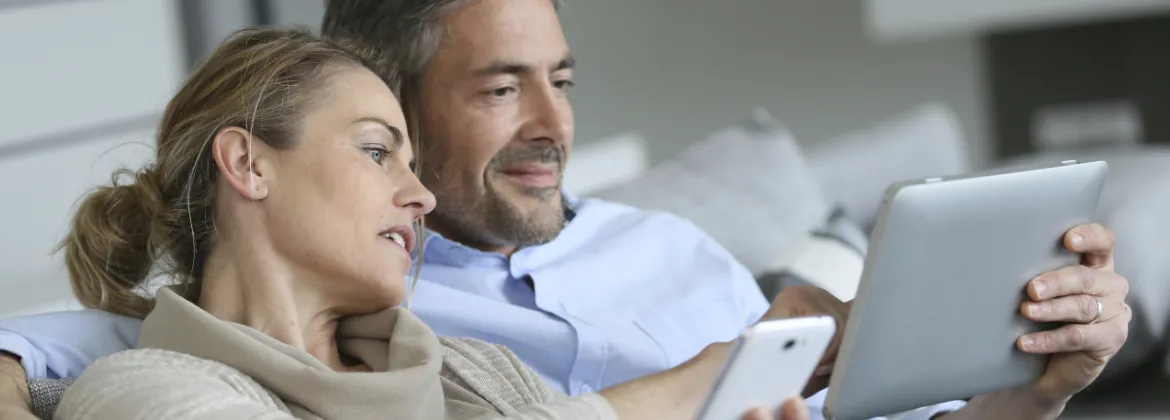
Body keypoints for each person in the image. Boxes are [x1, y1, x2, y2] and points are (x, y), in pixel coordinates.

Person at [0, 0, 1131, 419]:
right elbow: (78, 339)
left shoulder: (456, 366)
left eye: (564, 80)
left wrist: (1022, 393)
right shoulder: (161, 378)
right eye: (500, 87)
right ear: (251, 167)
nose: (553, 121)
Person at [26, 27, 807, 420]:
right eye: (376, 152)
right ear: (250, 164)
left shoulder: (469, 370)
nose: (422, 197)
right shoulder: (148, 392)